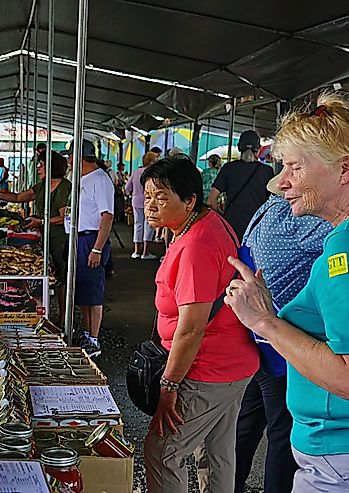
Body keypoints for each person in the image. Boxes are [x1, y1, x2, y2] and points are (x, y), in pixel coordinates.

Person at [224, 92, 349, 492]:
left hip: (334, 454)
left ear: (344, 170)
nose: (280, 182)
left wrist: (265, 321)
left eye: (295, 166)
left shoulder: (341, 252)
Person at [141, 156, 259, 493]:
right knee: (215, 451)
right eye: (147, 195)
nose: (151, 205)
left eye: (162, 197)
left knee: (163, 451)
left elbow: (192, 328)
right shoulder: (207, 223)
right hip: (234, 364)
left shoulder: (196, 244)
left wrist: (170, 386)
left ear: (190, 199)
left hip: (209, 369)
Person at [225, 175, 332, 493]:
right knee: (283, 433)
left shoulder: (263, 214)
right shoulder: (297, 224)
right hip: (283, 341)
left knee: (248, 424)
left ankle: (230, 485)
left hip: (255, 337)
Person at [0, 151, 70, 320]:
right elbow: (19, 197)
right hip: (43, 236)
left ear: (51, 166)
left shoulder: (65, 187)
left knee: (61, 277)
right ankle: (39, 312)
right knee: (47, 275)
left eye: (41, 165)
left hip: (61, 238)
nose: (38, 168)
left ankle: (64, 317)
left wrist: (41, 222)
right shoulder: (42, 185)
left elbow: (64, 218)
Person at [66, 139, 114, 357]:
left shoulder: (100, 180)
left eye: (70, 156)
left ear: (79, 158)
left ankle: (94, 339)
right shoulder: (82, 178)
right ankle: (87, 334)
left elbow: (107, 216)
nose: (67, 160)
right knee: (83, 290)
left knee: (93, 291)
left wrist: (97, 249)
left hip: (91, 239)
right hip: (79, 238)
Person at [207, 130, 274, 240]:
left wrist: (222, 216)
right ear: (258, 149)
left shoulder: (228, 168)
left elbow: (211, 200)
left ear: (239, 148)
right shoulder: (267, 171)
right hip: (257, 227)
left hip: (231, 227)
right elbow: (273, 203)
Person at [125, 152, 160, 259]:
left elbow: (127, 188)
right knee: (149, 225)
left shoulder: (136, 172)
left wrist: (131, 194)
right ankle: (145, 252)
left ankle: (136, 251)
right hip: (150, 201)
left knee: (138, 224)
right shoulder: (153, 174)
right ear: (151, 161)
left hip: (136, 201)